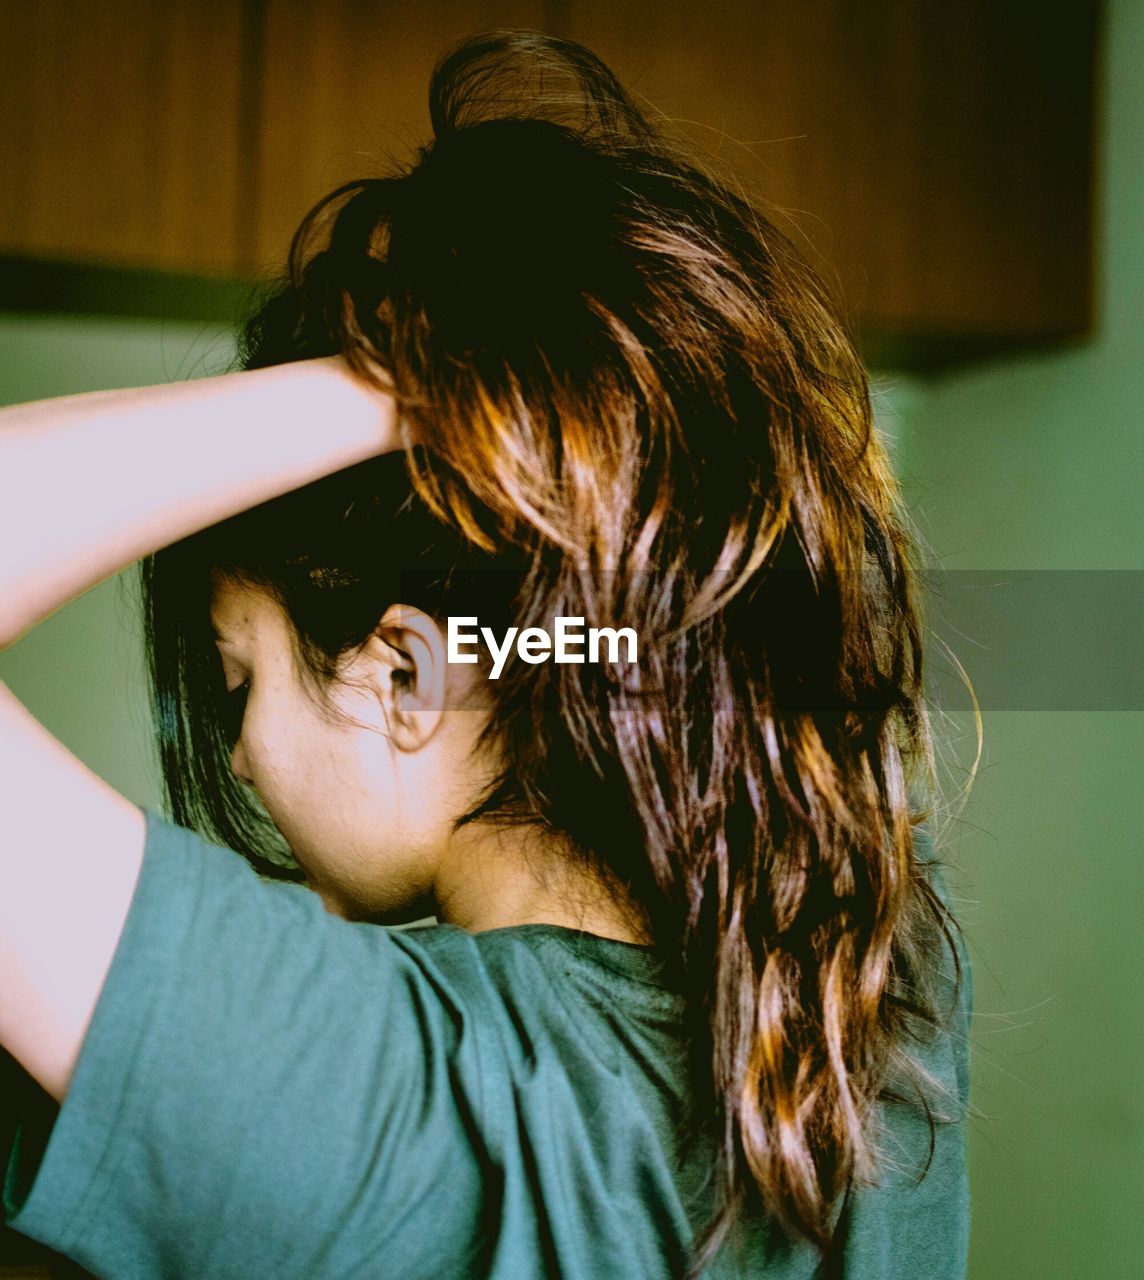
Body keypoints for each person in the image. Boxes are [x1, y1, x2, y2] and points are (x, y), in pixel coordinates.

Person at [0, 29, 972, 1280]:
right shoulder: (860, 964)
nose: (236, 757)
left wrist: (403, 384)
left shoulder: (397, 1095)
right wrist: (544, 391)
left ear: (406, 676)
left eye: (241, 680)